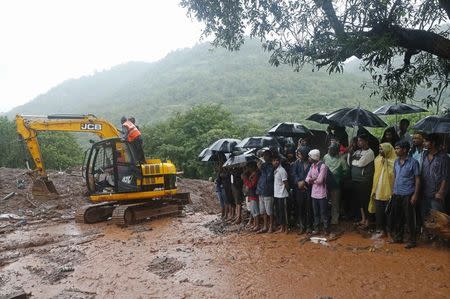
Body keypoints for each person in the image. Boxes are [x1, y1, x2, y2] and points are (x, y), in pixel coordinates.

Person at [391, 141, 420, 249]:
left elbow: (418, 180)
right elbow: (395, 176)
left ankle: (412, 240)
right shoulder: (396, 162)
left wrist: (415, 195)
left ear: (404, 149)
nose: (396, 150)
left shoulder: (413, 162)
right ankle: (399, 237)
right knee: (398, 217)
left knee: (410, 218)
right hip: (397, 193)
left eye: (398, 148)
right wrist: (393, 190)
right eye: (395, 148)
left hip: (408, 193)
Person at [348, 134, 375, 228]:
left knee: (365, 201)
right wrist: (350, 154)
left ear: (366, 141)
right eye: (358, 141)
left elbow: (360, 164)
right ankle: (363, 219)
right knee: (360, 201)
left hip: (364, 181)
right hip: (356, 179)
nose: (358, 142)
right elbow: (350, 162)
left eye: (360, 141)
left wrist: (355, 161)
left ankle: (368, 221)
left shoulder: (370, 152)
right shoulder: (358, 151)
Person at [369, 143, 396, 235]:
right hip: (378, 189)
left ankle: (389, 231)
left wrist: (387, 164)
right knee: (379, 213)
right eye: (379, 149)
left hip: (389, 191)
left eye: (382, 149)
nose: (380, 151)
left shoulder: (395, 162)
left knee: (389, 213)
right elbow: (375, 174)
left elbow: (394, 176)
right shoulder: (377, 160)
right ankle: (380, 230)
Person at [421, 134, 448, 218]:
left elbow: (446, 176)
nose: (424, 143)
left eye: (426, 141)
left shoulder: (443, 157)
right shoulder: (424, 154)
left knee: (437, 217)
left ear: (433, 143)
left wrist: (441, 192)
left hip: (436, 193)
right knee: (425, 216)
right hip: (424, 191)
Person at [306, 149, 329, 235]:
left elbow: (320, 180)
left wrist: (312, 180)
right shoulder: (312, 166)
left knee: (323, 212)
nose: (309, 158)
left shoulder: (323, 166)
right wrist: (313, 179)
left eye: (310, 157)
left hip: (322, 193)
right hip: (314, 193)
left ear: (314, 157)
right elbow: (307, 178)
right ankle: (317, 229)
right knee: (316, 212)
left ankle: (326, 228)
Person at [323, 143, 347, 225]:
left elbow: (346, 171)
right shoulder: (326, 156)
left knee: (335, 203)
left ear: (336, 151)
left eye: (331, 149)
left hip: (336, 183)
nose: (329, 150)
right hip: (325, 183)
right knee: (324, 201)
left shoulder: (341, 160)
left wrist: (339, 177)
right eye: (329, 148)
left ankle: (334, 220)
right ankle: (325, 218)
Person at [293, 146, 312, 234]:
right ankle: (302, 226)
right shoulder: (297, 163)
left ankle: (309, 226)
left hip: (309, 188)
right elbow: (294, 174)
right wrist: (298, 182)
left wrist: (304, 182)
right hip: (299, 189)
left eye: (300, 154)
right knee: (300, 208)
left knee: (309, 208)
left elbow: (313, 175)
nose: (298, 155)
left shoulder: (311, 163)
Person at [256, 149, 275, 233]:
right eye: (264, 155)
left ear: (269, 156)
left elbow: (270, 177)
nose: (264, 156)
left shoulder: (271, 166)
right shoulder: (262, 165)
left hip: (268, 191)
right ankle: (265, 226)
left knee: (269, 211)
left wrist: (261, 168)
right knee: (263, 211)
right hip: (261, 190)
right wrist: (259, 168)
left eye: (266, 155)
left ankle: (271, 226)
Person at [272, 155, 290, 233]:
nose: (276, 162)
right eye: (274, 160)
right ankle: (282, 227)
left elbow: (285, 182)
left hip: (282, 194)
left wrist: (288, 191)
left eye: (277, 160)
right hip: (277, 194)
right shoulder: (275, 170)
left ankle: (286, 228)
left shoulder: (282, 170)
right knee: (279, 212)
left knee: (284, 213)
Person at [242, 162, 260, 231]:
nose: (247, 169)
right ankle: (255, 224)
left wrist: (245, 180)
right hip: (252, 194)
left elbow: (251, 185)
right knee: (253, 210)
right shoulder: (253, 174)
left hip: (254, 194)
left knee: (256, 211)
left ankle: (257, 225)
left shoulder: (255, 175)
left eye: (248, 167)